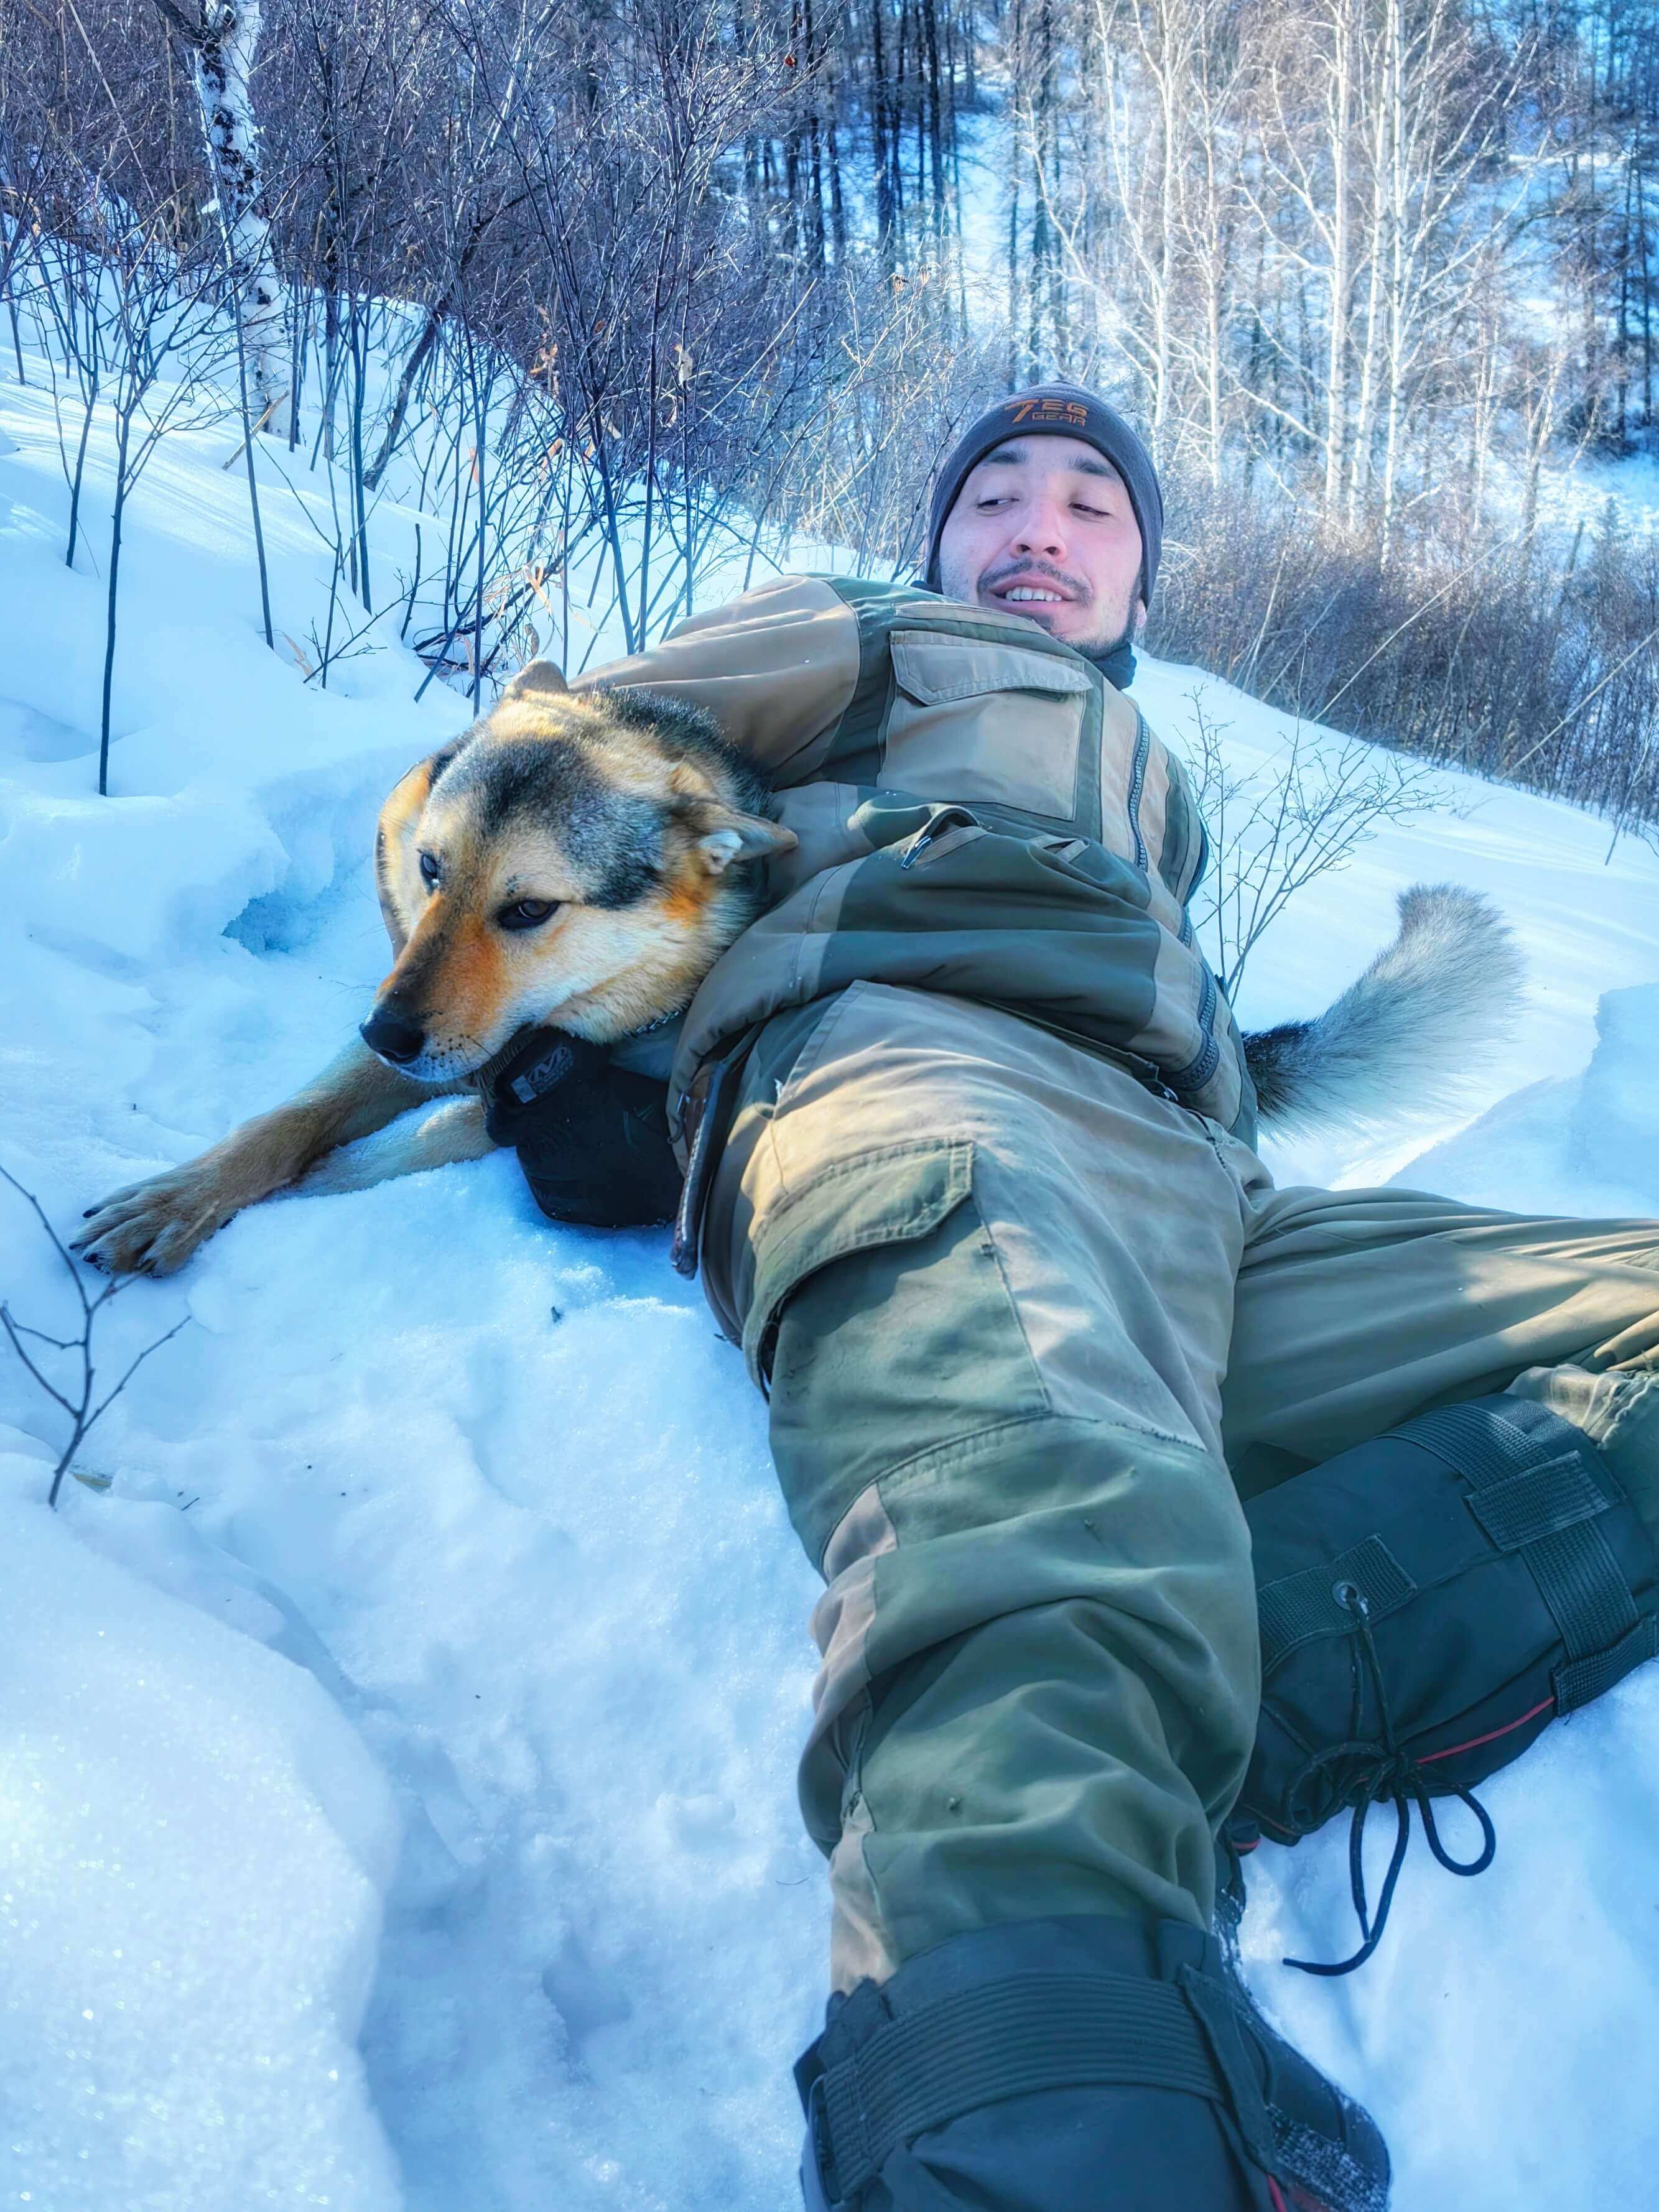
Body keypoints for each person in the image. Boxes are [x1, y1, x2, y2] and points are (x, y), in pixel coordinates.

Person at [482, 383, 1659, 2210]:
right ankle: (1038, 2121)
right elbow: (536, 790)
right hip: (923, 1070)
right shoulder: (862, 627)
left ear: (1141, 582)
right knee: (1037, 1505)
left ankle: (1194, 1726)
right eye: (997, 495)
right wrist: (597, 1046)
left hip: (1204, 1193)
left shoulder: (1148, 780)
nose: (1039, 523)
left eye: (1092, 503)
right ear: (938, 543)